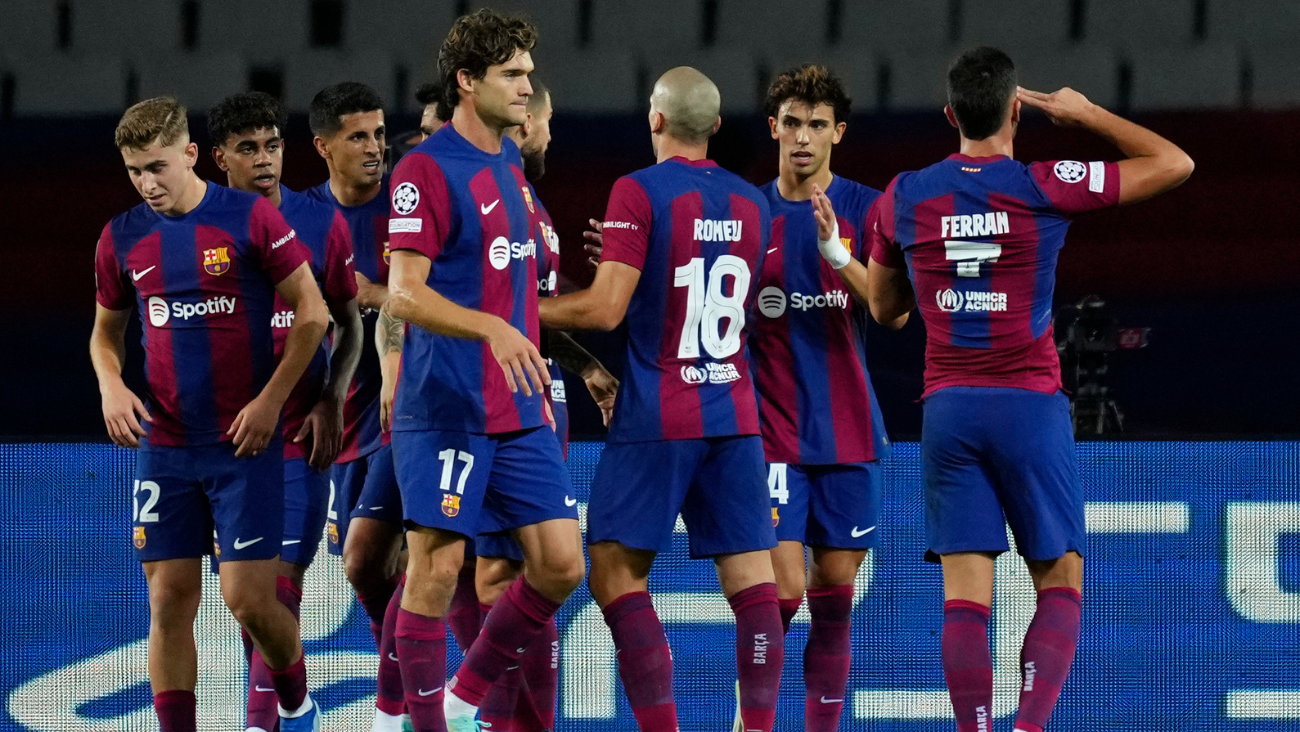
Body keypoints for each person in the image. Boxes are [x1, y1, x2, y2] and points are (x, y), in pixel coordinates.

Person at [865, 47, 1193, 732]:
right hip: (1029, 408)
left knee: (965, 598)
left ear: (951, 113)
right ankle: (1029, 727)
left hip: (949, 411)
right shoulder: (1044, 184)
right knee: (1061, 580)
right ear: (1017, 108)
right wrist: (1087, 113)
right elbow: (1175, 164)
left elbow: (885, 312)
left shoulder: (905, 196)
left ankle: (976, 729)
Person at [538, 66, 783, 732]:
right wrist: (632, 253)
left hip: (661, 408)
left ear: (654, 120)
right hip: (733, 410)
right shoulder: (754, 203)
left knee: (615, 574)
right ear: (716, 127)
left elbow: (604, 311)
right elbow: (700, 281)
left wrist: (519, 305)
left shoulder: (637, 190)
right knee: (754, 586)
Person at [89, 96, 329, 732]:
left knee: (249, 601)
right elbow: (104, 333)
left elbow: (313, 313)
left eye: (158, 167)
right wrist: (112, 386)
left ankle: (298, 701)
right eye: (135, 171)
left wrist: (270, 402)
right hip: (165, 447)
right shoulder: (121, 237)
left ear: (191, 154)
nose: (148, 183)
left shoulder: (248, 218)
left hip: (243, 446)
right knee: (167, 601)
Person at [384, 10, 585, 731]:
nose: (529, 87)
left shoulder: (508, 163)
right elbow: (404, 292)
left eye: (530, 73)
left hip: (519, 409)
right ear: (468, 82)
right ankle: (428, 723)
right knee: (435, 573)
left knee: (562, 564)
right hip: (447, 406)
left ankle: (463, 697)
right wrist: (491, 328)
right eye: (514, 74)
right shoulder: (425, 168)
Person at [743, 63, 902, 732]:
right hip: (770, 433)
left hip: (848, 431)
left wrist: (838, 252)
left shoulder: (869, 208)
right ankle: (753, 722)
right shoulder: (744, 212)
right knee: (778, 594)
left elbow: (892, 313)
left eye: (816, 124)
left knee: (833, 602)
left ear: (838, 132)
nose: (802, 137)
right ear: (772, 127)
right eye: (791, 123)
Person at [208, 90, 364, 732]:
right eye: (248, 149)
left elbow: (350, 326)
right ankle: (298, 710)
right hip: (223, 444)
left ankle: (265, 720)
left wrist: (332, 397)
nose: (265, 160)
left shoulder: (321, 224)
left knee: (277, 589)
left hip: (299, 434)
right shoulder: (197, 230)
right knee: (250, 605)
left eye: (272, 145)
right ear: (219, 159)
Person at [303, 81, 408, 732]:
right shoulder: (298, 218)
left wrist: (376, 294)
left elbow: (415, 294)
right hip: (339, 421)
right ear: (323, 147)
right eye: (358, 137)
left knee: (381, 557)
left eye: (378, 133)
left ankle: (398, 710)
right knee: (370, 570)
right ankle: (413, 688)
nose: (375, 148)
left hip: (409, 412)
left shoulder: (406, 206)